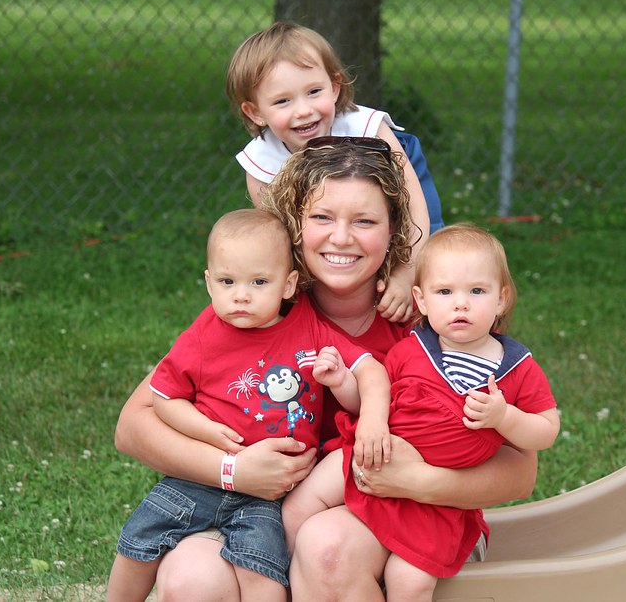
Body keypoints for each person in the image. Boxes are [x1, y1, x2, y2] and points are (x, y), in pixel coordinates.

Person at [113, 141, 539, 602]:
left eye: (365, 221)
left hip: (410, 511)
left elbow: (520, 470)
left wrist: (422, 481)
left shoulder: (433, 318)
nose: (341, 237)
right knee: (191, 578)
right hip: (247, 504)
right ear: (294, 227)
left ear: (395, 229)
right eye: (321, 218)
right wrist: (233, 470)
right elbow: (134, 425)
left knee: (326, 549)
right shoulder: (257, 305)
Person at [106, 208, 391, 602]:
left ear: (289, 285)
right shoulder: (204, 334)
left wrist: (341, 381)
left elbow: (368, 371)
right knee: (139, 542)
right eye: (228, 282)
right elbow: (163, 398)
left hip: (269, 497)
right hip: (198, 481)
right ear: (209, 283)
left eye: (258, 282)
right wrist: (213, 440)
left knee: (264, 572)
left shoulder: (308, 327)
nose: (241, 295)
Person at [283, 223, 561, 600]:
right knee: (300, 508)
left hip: (439, 500)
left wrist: (505, 418)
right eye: (445, 292)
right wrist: (341, 381)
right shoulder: (413, 350)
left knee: (408, 581)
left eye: (477, 291)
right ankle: (280, 574)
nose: (460, 303)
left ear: (502, 298)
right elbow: (369, 398)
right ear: (423, 300)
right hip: (374, 452)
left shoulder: (514, 368)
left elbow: (545, 431)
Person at [227, 20, 445, 323]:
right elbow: (279, 240)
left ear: (335, 87)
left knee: (436, 256)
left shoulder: (367, 126)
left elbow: (414, 206)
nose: (303, 110)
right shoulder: (262, 163)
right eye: (283, 101)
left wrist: (407, 274)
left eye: (314, 91)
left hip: (395, 183)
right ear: (255, 112)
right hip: (326, 220)